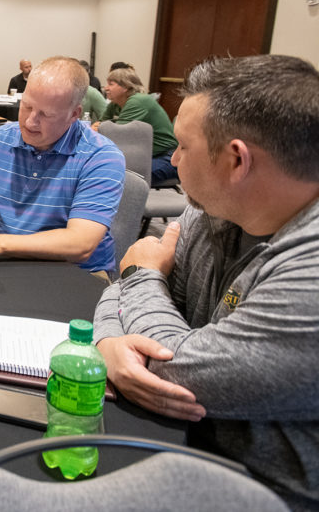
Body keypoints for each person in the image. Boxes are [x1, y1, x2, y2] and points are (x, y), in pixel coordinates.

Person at [92, 55, 319, 510]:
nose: (172, 160)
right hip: (182, 447)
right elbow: (117, 290)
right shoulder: (209, 207)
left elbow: (177, 372)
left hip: (261, 491)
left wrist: (140, 275)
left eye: (182, 147)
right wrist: (107, 345)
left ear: (237, 160)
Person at [0, 57, 125, 277]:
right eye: (27, 106)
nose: (30, 121)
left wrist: (0, 243)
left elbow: (80, 244)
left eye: (46, 114)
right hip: (6, 264)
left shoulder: (101, 156)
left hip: (76, 274)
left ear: (74, 114)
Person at [96, 67, 178, 186]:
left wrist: (101, 127)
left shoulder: (139, 101)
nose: (106, 88)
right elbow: (99, 128)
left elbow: (116, 136)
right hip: (144, 157)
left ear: (125, 87)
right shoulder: (115, 104)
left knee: (117, 178)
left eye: (111, 84)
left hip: (166, 158)